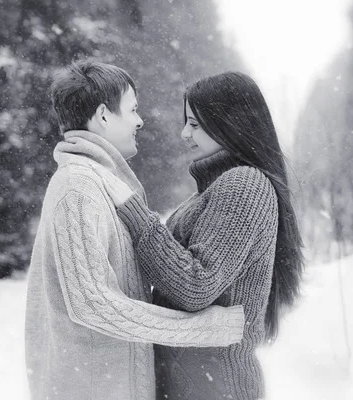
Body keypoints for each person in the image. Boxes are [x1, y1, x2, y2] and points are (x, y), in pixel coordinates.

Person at [24, 60, 246, 400]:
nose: (139, 120)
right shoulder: (77, 188)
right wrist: (204, 328)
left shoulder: (100, 184)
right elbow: (94, 305)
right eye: (132, 109)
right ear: (102, 115)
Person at [98, 71, 305, 400]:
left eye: (195, 124)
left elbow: (195, 286)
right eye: (186, 122)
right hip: (197, 384)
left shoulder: (244, 184)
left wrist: (136, 215)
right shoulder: (214, 190)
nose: (184, 133)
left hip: (215, 386)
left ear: (229, 123)